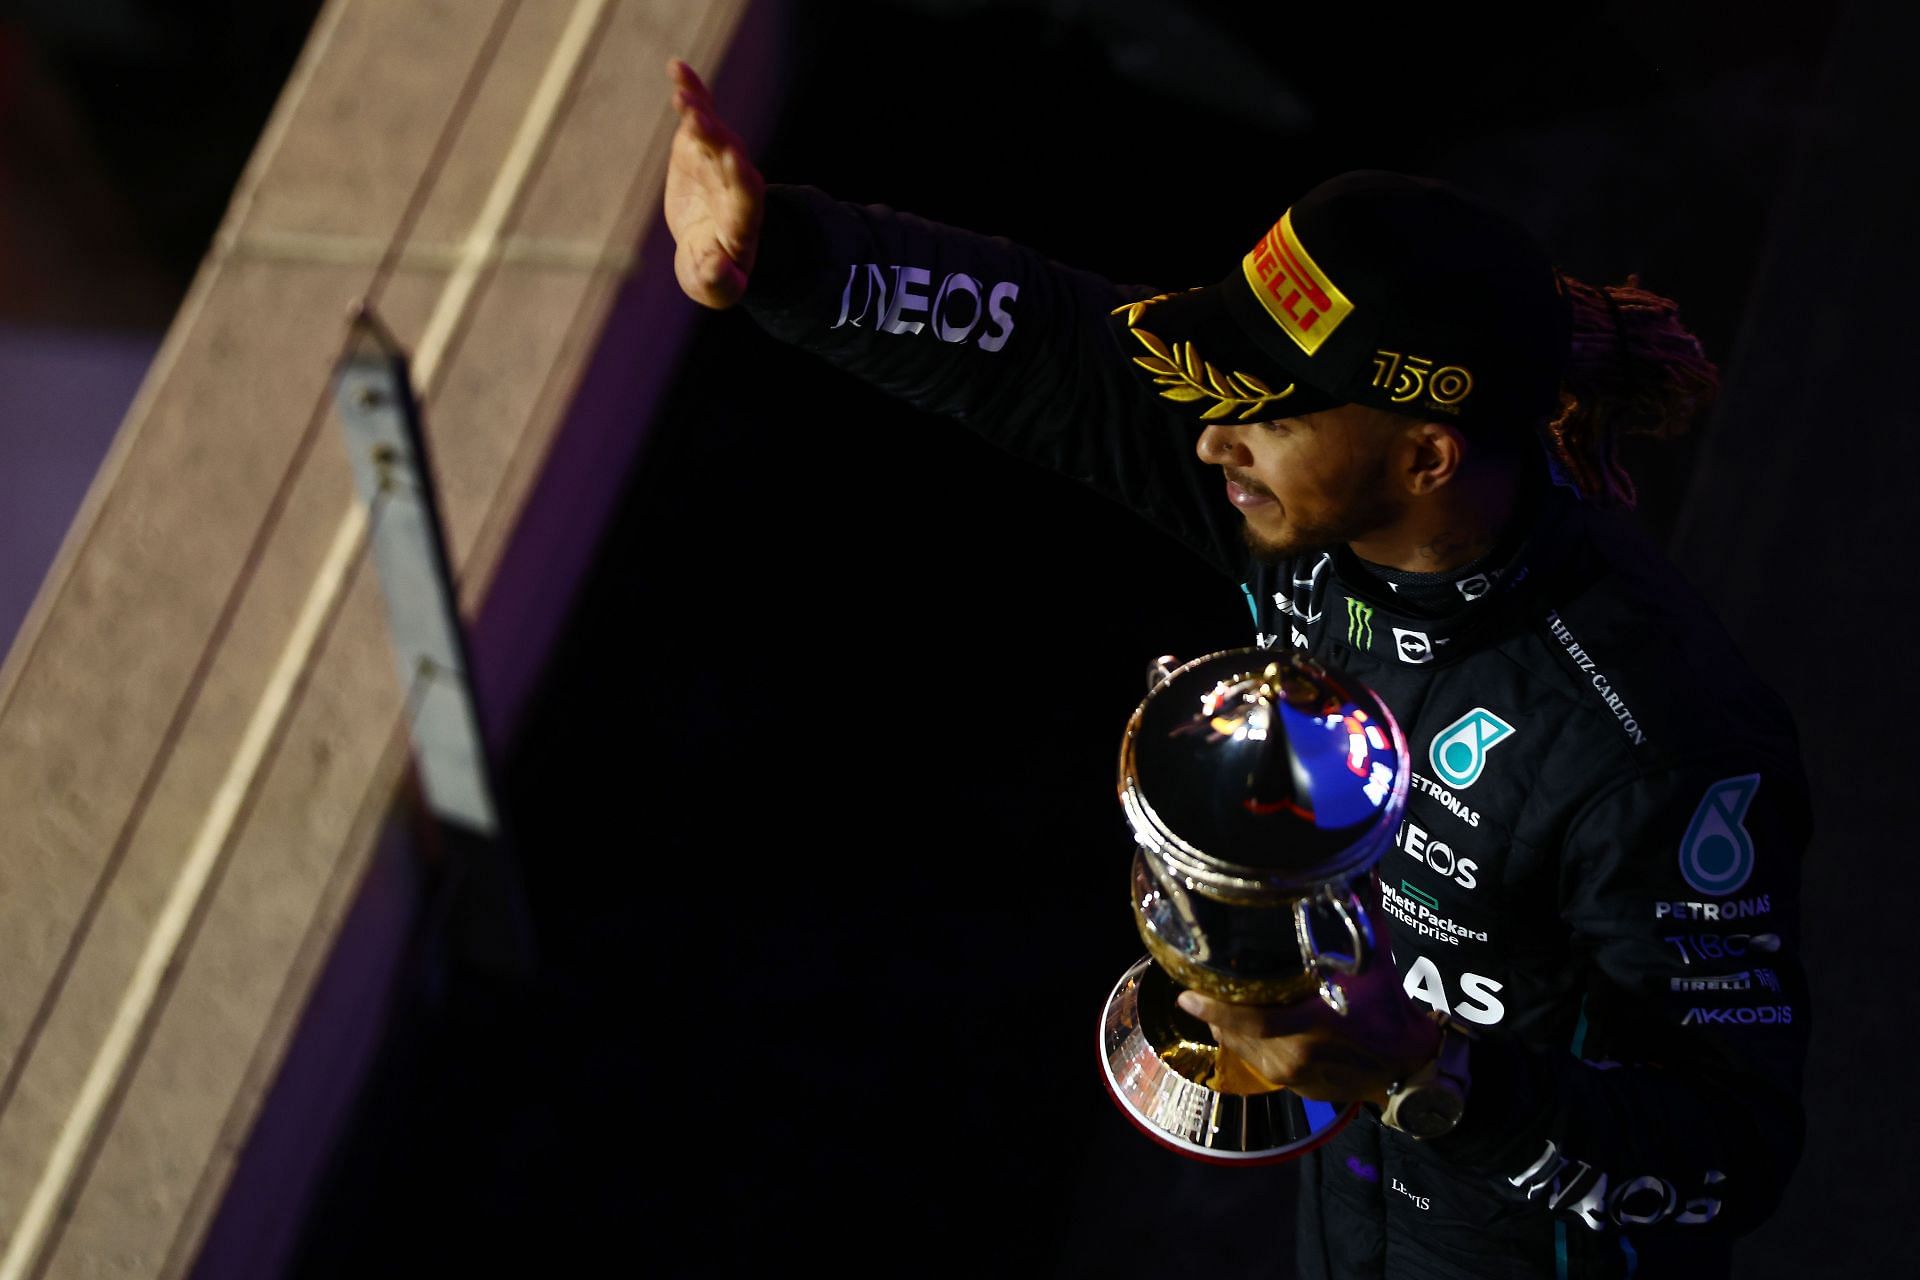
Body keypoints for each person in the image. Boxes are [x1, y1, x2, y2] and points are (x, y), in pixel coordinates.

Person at [663, 57, 1811, 1280]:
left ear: (1426, 454)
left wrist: (1428, 1074)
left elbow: (1731, 1155)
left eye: (1262, 410)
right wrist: (784, 253)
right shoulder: (1303, 505)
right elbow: (1051, 348)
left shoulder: (1656, 743)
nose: (1213, 437)